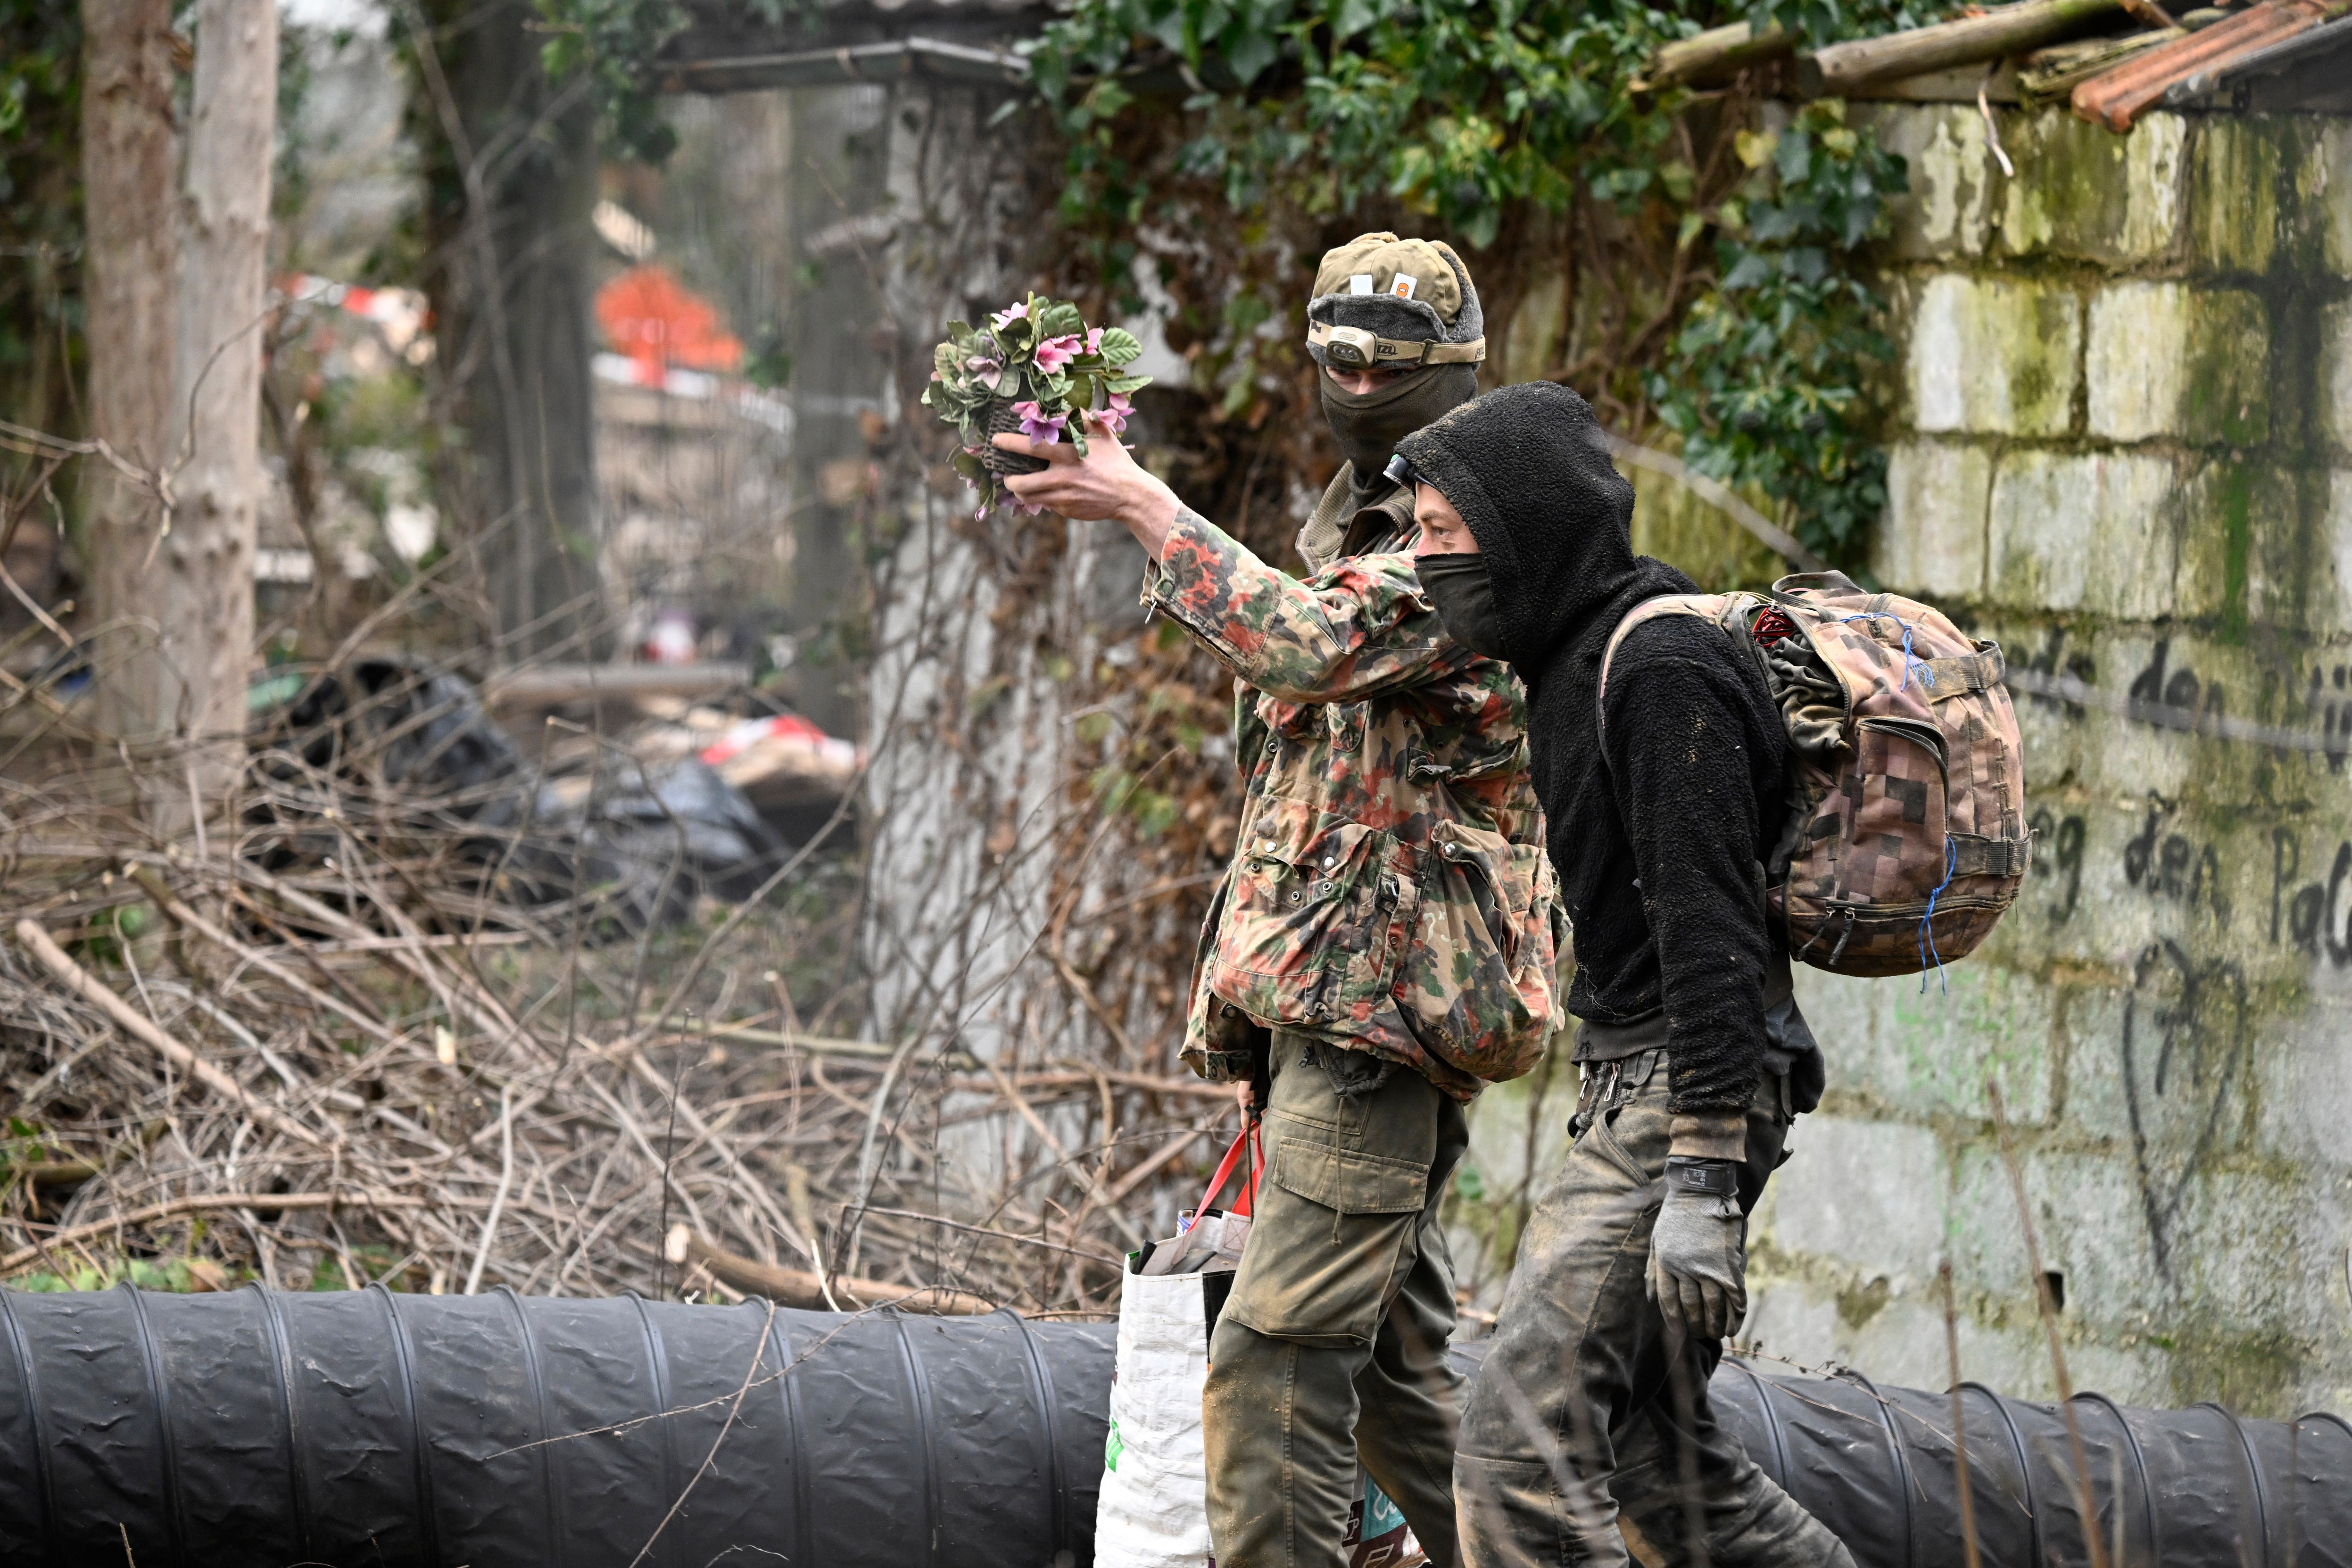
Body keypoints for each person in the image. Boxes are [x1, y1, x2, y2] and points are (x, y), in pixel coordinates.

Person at [995, 235, 1565, 1568]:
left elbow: (1308, 644)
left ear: (1455, 375)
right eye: (1336, 358)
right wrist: (1252, 1014)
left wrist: (1142, 504)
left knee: (1269, 1362)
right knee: (1396, 1380)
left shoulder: (1477, 525)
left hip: (1382, 1011)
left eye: (1387, 365)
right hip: (1342, 997)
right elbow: (1309, 777)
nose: (1357, 383)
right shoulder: (1368, 514)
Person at [1389, 381, 1853, 1567]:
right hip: (1641, 1085)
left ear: (1523, 534)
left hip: (1682, 1097)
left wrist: (1698, 1181)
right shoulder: (1566, 662)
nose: (1419, 561)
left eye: (1443, 537)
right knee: (1655, 1457)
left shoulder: (1659, 669)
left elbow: (1710, 935)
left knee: (1516, 1447)